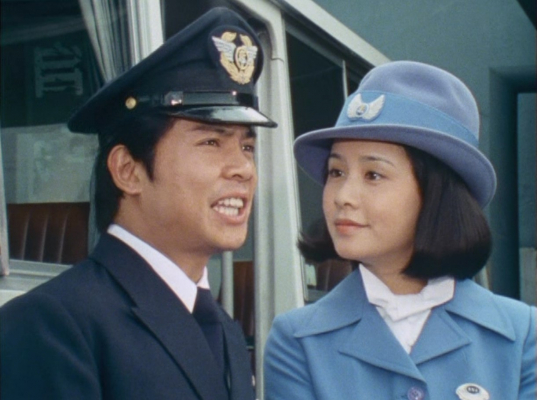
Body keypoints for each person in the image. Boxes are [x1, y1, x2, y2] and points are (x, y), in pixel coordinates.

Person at [1, 7, 276, 400]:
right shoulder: (51, 326)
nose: (243, 169)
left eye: (247, 147)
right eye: (211, 141)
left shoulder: (224, 330)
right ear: (127, 171)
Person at [264, 61, 536, 399]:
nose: (343, 196)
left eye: (373, 175)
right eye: (336, 172)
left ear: (436, 193)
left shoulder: (522, 336)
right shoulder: (298, 341)